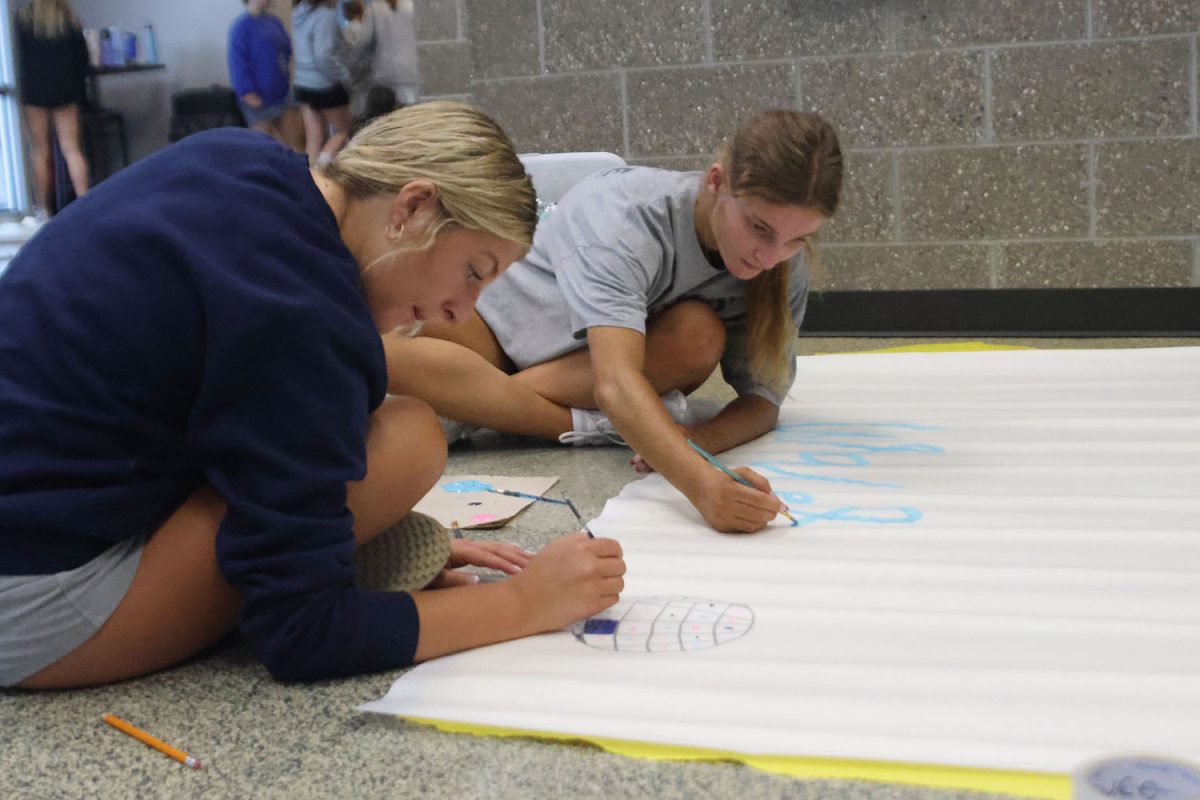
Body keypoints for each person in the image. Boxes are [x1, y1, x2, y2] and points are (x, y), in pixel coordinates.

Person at [0, 101, 626, 689]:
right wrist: (522, 602)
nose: (460, 311)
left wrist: (326, 528)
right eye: (474, 271)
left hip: (35, 512)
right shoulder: (302, 314)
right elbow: (302, 634)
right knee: (408, 440)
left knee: (391, 426)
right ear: (412, 207)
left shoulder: (241, 157)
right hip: (29, 600)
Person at [386, 109, 843, 534]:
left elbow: (762, 400)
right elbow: (616, 384)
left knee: (699, 334)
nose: (769, 255)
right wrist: (700, 483)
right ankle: (589, 425)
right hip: (493, 330)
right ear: (716, 182)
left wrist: (694, 442)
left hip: (577, 369)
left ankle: (477, 407)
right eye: (759, 227)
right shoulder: (627, 215)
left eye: (796, 239)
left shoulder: (783, 265)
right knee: (389, 351)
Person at [12, 0, 90, 215]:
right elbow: (82, 59)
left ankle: (43, 209)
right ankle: (85, 202)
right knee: (72, 149)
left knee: (39, 151)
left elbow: (16, 57)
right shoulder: (68, 18)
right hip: (66, 91)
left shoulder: (23, 20)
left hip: (34, 91)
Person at [227, 0, 303, 151]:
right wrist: (247, 93)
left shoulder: (273, 21)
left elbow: (287, 51)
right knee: (267, 149)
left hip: (282, 94)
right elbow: (237, 63)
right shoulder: (241, 26)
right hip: (256, 98)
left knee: (296, 144)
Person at [292, 0, 353, 166]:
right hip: (325, 83)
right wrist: (345, 75)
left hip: (302, 82)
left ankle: (310, 176)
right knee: (342, 132)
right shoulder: (326, 15)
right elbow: (323, 55)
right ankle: (324, 169)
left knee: (313, 137)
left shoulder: (298, 12)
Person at [345, 0, 419, 114]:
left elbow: (364, 42)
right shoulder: (412, 4)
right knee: (412, 116)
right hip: (411, 71)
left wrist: (351, 68)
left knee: (387, 118)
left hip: (385, 73)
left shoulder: (375, 7)